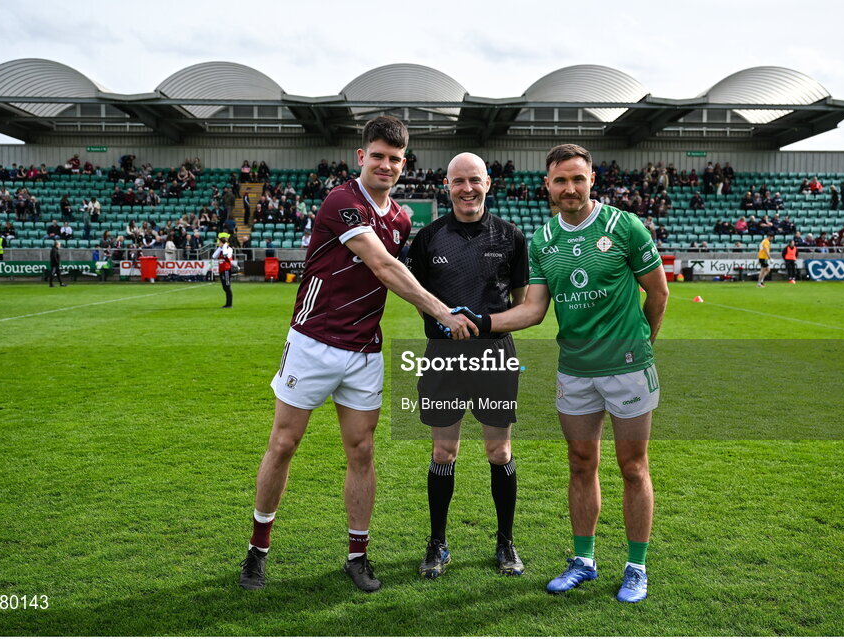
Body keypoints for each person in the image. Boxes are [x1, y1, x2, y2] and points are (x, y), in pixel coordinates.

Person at [238, 116, 476, 593]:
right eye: (378, 156)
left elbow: (409, 268)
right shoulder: (342, 202)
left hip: (365, 351)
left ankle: (357, 555)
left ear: (403, 164)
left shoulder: (403, 218)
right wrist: (443, 312)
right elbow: (385, 267)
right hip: (313, 343)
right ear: (360, 156)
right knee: (283, 444)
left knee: (362, 451)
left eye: (395, 159)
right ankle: (257, 550)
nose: (386, 165)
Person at [478, 144, 668, 603]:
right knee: (582, 464)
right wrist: (481, 322)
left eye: (577, 179)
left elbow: (658, 294)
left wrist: (641, 347)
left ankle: (636, 567)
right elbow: (534, 310)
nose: (569, 188)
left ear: (591, 181)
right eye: (560, 180)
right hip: (575, 371)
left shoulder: (624, 226)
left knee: (633, 466)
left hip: (627, 369)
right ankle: (583, 560)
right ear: (548, 185)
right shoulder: (543, 240)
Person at [408, 153, 529, 580]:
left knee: (499, 452)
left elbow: (522, 305)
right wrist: (443, 320)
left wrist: (485, 325)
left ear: (488, 183)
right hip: (443, 358)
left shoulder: (511, 237)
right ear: (447, 185)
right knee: (444, 451)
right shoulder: (427, 238)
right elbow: (416, 295)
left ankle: (505, 541)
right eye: (459, 181)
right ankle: (437, 542)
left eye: (474, 180)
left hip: (495, 355)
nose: (467, 188)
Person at [213, 234, 233, 308]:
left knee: (227, 287)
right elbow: (214, 256)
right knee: (224, 287)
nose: (219, 243)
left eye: (220, 242)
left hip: (226, 270)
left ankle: (229, 304)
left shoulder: (229, 249)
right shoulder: (220, 249)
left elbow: (225, 254)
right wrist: (219, 248)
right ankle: (227, 304)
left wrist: (224, 246)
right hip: (221, 270)